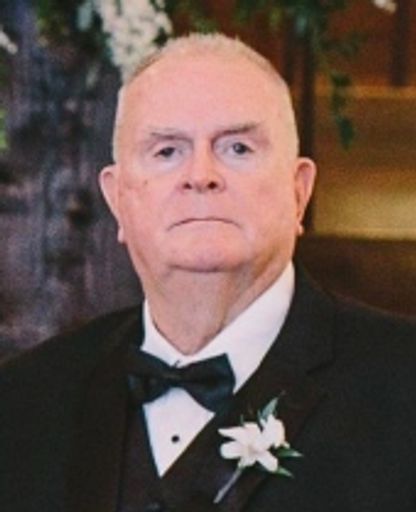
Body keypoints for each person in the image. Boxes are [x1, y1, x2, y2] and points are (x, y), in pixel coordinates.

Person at [0, 33, 415, 512]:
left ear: (299, 191)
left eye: (238, 148)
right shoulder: (23, 400)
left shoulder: (404, 381)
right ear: (117, 200)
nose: (200, 175)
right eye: (166, 151)